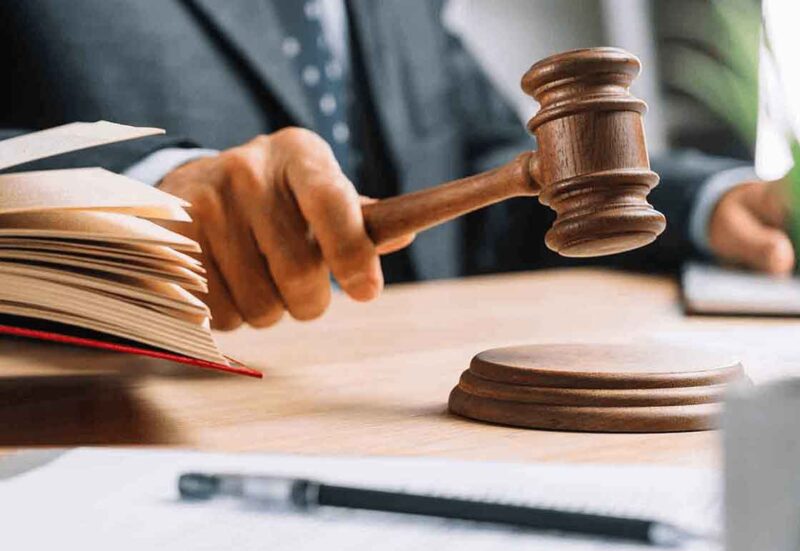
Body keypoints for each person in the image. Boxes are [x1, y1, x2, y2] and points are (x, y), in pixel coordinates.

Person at [2, 0, 793, 331]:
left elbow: (496, 167)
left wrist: (704, 202)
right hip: (138, 438)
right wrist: (147, 191)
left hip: (421, 410)